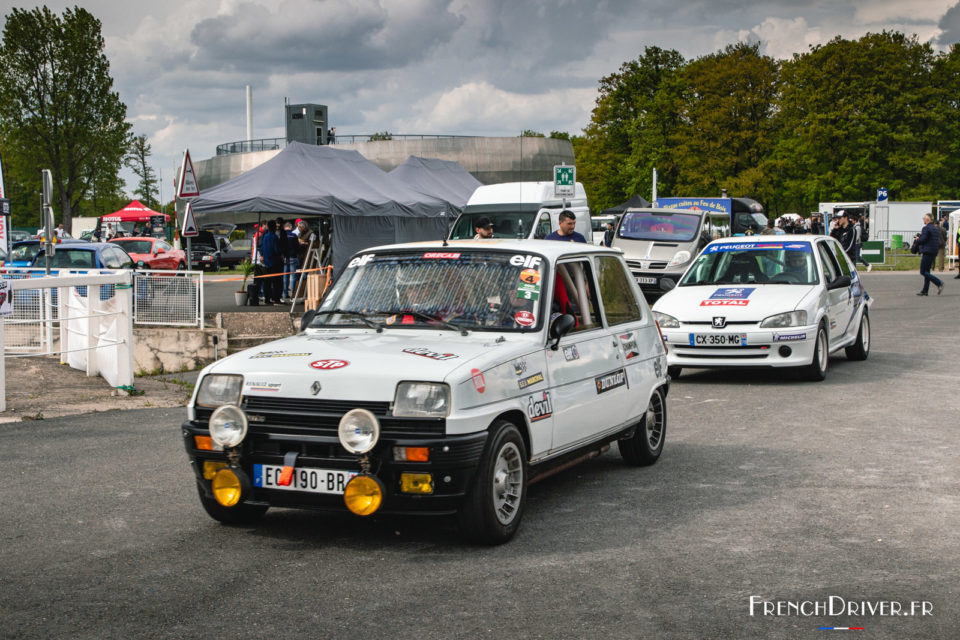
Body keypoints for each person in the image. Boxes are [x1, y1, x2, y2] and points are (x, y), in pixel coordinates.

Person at [915, 213, 943, 296]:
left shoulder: (926, 228)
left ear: (927, 220)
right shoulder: (934, 228)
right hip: (933, 251)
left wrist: (917, 239)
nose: (923, 219)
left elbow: (923, 240)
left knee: (923, 271)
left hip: (927, 251)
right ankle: (925, 290)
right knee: (927, 271)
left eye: (924, 218)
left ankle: (939, 283)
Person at [259, 219, 283, 305]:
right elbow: (276, 249)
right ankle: (276, 298)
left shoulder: (265, 236)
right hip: (274, 261)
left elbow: (262, 248)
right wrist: (280, 255)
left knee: (267, 281)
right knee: (277, 281)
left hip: (266, 261)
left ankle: (267, 298)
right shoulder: (274, 237)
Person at [282, 221, 299, 302]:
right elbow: (297, 247)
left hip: (284, 258)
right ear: (291, 227)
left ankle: (285, 293)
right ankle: (293, 294)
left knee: (285, 276)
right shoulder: (294, 235)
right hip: (293, 256)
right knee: (293, 276)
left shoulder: (282, 235)